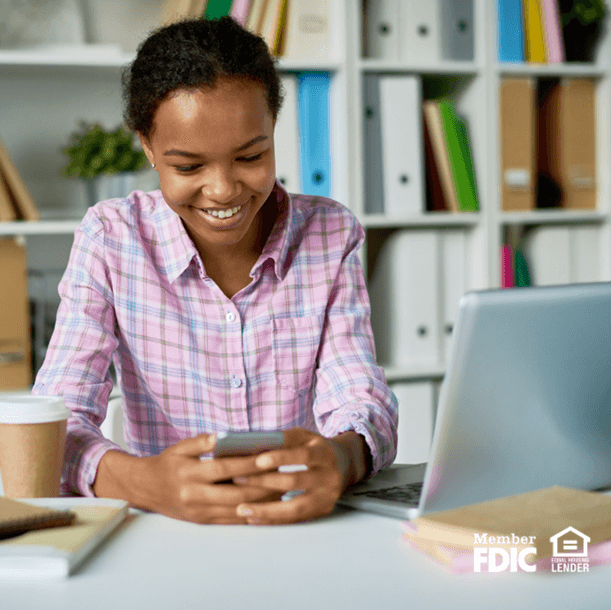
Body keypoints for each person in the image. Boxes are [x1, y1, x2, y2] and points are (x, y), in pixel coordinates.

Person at [33, 16, 397, 525]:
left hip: (302, 526)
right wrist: (146, 483)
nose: (224, 189)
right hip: (166, 534)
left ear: (273, 128)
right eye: (188, 167)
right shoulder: (111, 239)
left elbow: (360, 397)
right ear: (147, 146)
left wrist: (339, 458)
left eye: (251, 156)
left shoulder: (329, 233)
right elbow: (52, 421)